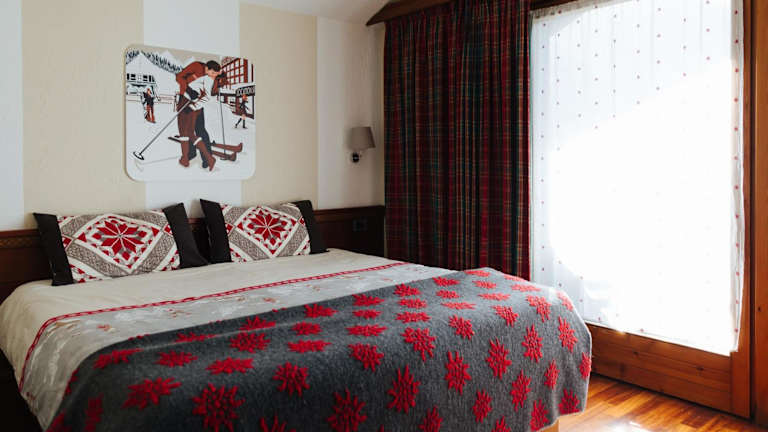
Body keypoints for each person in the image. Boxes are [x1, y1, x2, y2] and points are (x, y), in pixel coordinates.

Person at [174, 60, 226, 170]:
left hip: (195, 104)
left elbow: (210, 93)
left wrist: (219, 83)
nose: (212, 74)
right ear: (207, 68)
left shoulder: (211, 78)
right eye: (212, 72)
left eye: (215, 73)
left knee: (197, 129)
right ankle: (191, 155)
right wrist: (188, 89)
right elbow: (179, 77)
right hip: (187, 98)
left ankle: (206, 158)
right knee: (188, 131)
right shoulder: (196, 66)